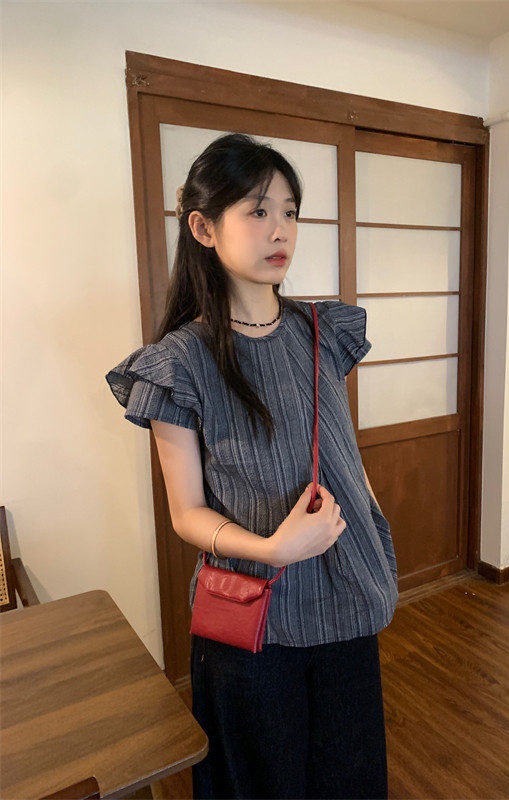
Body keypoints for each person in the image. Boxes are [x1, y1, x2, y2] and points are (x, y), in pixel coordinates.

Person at [105, 132, 398, 800]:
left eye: (290, 211)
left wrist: (373, 529)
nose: (280, 229)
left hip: (347, 600)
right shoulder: (178, 364)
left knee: (350, 777)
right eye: (258, 211)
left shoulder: (324, 331)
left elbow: (343, 452)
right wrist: (273, 548)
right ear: (204, 228)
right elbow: (186, 513)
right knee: (263, 782)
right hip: (252, 614)